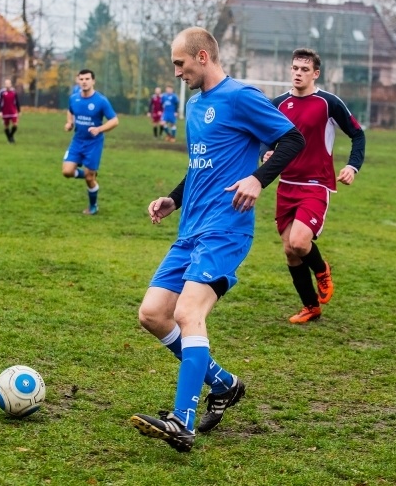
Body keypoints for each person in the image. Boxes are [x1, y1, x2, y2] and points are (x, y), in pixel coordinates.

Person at [129, 27, 305, 452]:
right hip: (190, 229)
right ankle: (224, 384)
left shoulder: (241, 96)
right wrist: (173, 199)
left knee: (189, 313)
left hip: (226, 229)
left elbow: (292, 138)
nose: (176, 72)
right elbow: (201, 166)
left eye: (180, 63)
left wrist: (258, 179)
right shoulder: (194, 105)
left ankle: (182, 420)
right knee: (153, 314)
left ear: (202, 56)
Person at [263, 48, 365, 324]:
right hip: (286, 184)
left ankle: (322, 270)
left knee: (299, 242)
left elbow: (357, 134)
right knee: (289, 250)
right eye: (295, 68)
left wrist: (352, 165)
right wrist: (267, 151)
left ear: (315, 73)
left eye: (304, 69)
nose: (298, 73)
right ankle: (311, 307)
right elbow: (265, 136)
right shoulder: (279, 104)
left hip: (315, 184)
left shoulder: (328, 103)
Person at [63, 69, 119, 215]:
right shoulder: (74, 98)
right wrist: (69, 123)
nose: (84, 81)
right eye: (81, 79)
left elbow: (114, 120)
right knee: (67, 171)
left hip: (93, 144)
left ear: (93, 81)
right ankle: (90, 174)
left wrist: (99, 129)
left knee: (89, 179)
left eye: (87, 79)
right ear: (77, 81)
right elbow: (70, 111)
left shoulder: (101, 101)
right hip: (77, 141)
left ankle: (93, 206)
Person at [0, 79, 21, 143]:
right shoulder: (1, 92)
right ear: (4, 85)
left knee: (15, 124)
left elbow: (17, 102)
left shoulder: (14, 92)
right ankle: (10, 139)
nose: (7, 85)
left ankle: (10, 136)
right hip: (5, 111)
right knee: (6, 126)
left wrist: (19, 111)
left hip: (12, 110)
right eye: (6, 84)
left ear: (11, 84)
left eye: (8, 83)